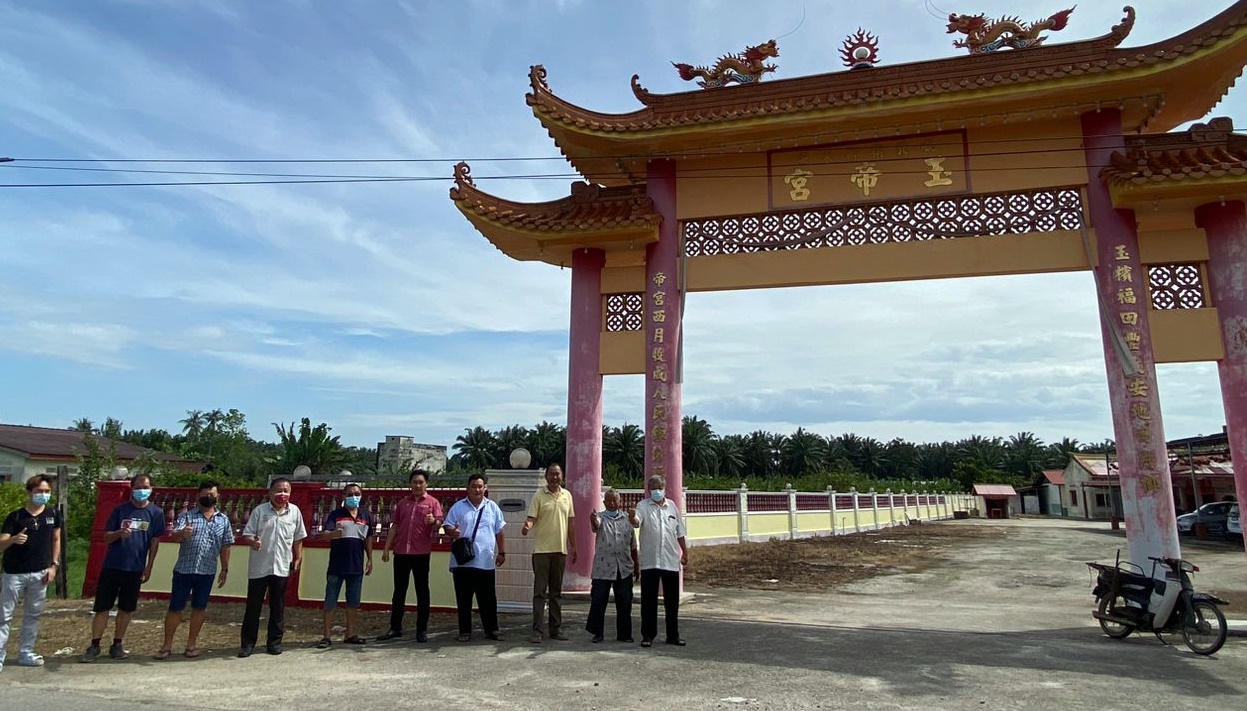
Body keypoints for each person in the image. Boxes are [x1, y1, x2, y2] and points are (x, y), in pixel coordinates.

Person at [81, 473, 165, 663]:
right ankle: (94, 645)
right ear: (132, 489)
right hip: (112, 566)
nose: (141, 491)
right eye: (138, 487)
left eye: (145, 487)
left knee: (126, 609)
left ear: (151, 489)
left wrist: (149, 566)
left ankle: (117, 644)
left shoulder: (156, 513)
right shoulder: (120, 510)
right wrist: (119, 533)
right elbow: (106, 537)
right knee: (102, 607)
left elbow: (155, 541)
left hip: (135, 568)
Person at [156, 481, 233, 660]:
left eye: (212, 494)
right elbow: (173, 537)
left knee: (200, 608)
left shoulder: (223, 520)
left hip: (207, 571)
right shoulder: (186, 516)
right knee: (175, 607)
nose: (208, 497)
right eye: (205, 494)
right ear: (198, 496)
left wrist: (225, 569)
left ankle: (191, 645)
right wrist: (182, 533)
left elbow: (226, 546)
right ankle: (166, 646)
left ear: (218, 496)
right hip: (184, 570)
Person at [238, 477, 307, 657]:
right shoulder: (259, 511)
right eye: (278, 490)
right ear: (270, 493)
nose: (282, 494)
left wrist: (298, 557)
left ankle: (274, 643)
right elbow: (247, 534)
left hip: (282, 566)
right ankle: (247, 644)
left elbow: (298, 538)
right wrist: (253, 542)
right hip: (259, 567)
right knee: (253, 607)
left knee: (278, 607)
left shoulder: (294, 512)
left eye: (286, 491)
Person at [0, 475, 61, 671]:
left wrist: (54, 565)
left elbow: (56, 539)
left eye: (46, 491)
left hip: (40, 572)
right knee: (4, 615)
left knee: (33, 614)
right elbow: (1, 543)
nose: (43, 495)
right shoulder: (16, 516)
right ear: (29, 492)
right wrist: (13, 540)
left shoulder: (53, 514)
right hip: (14, 573)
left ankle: (26, 652)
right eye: (39, 491)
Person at [379, 469, 443, 643]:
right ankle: (395, 628)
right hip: (401, 553)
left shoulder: (432, 503)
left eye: (421, 482)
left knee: (422, 591)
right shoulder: (403, 503)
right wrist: (386, 548)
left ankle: (421, 629)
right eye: (414, 482)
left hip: (421, 554)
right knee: (399, 591)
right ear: (410, 484)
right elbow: (395, 526)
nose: (417, 485)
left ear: (426, 484)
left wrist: (434, 522)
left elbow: (439, 523)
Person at [442, 473, 506, 643]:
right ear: (467, 488)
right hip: (463, 562)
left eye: (480, 486)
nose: (477, 490)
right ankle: (464, 631)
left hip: (485, 561)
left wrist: (502, 552)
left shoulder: (492, 507)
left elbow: (499, 531)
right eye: (473, 486)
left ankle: (492, 629)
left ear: (485, 488)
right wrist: (452, 531)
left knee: (488, 599)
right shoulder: (458, 507)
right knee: (463, 599)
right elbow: (447, 525)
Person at [521, 462, 576, 643]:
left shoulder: (567, 495)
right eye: (551, 474)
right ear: (546, 476)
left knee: (556, 593)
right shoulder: (539, 495)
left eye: (557, 474)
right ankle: (537, 631)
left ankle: (555, 629)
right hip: (542, 552)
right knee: (539, 593)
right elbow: (531, 518)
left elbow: (571, 523)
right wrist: (527, 526)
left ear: (562, 476)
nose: (554, 477)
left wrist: (573, 546)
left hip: (560, 551)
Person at [315, 482, 374, 649]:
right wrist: (334, 534)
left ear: (361, 496)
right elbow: (325, 535)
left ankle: (350, 633)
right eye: (350, 494)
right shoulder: (336, 515)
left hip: (356, 565)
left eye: (356, 494)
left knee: (353, 602)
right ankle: (326, 636)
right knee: (330, 601)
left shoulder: (365, 516)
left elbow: (368, 538)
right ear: (343, 496)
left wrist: (370, 559)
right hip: (337, 565)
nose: (353, 497)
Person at [635, 473, 687, 648]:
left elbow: (680, 532)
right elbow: (636, 521)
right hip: (650, 561)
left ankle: (673, 635)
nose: (657, 491)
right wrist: (632, 518)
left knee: (672, 602)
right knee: (649, 601)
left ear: (665, 489)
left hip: (670, 561)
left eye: (660, 488)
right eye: (654, 488)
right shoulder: (642, 506)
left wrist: (685, 552)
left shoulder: (672, 507)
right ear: (649, 490)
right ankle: (648, 635)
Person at [585, 489, 638, 644]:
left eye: (615, 500)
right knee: (598, 601)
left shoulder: (627, 519)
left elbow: (633, 545)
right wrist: (593, 520)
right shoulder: (600, 517)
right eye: (609, 500)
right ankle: (597, 633)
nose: (612, 503)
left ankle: (624, 634)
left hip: (624, 567)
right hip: (603, 568)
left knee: (625, 602)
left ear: (619, 502)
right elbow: (595, 526)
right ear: (604, 502)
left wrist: (636, 564)